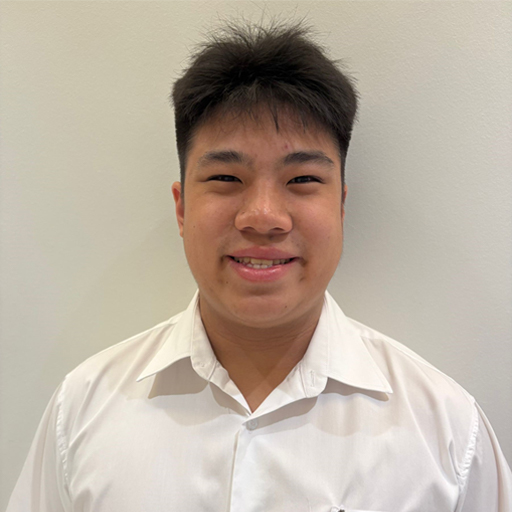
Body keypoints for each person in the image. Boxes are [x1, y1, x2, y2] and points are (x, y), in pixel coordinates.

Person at [7, 21, 512, 512]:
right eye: (226, 178)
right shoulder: (83, 410)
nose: (264, 217)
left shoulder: (447, 432)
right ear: (181, 208)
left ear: (341, 206)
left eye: (302, 180)